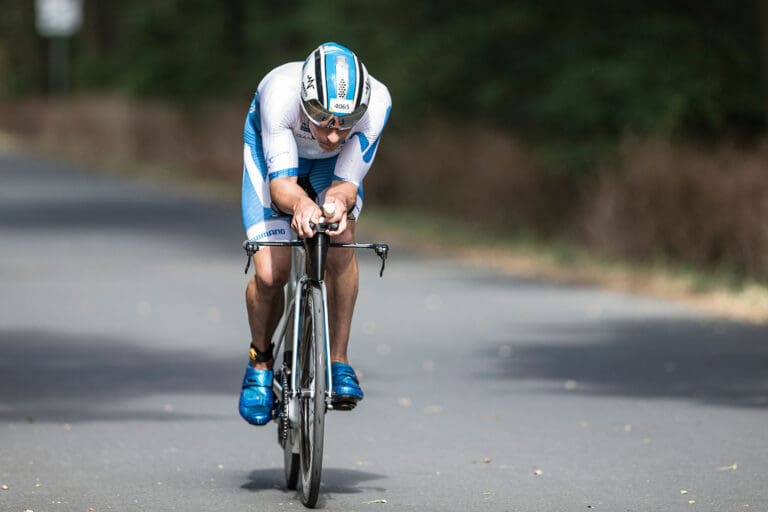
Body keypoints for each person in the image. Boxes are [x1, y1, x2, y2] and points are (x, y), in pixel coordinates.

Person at [238, 42, 392, 426]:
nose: (335, 133)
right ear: (307, 100)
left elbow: (346, 184)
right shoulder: (280, 96)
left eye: (347, 119)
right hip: (273, 153)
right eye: (324, 118)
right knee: (272, 273)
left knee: (339, 245)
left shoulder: (377, 106)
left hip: (329, 169)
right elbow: (282, 187)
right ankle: (260, 360)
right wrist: (302, 205)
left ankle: (338, 362)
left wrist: (337, 204)